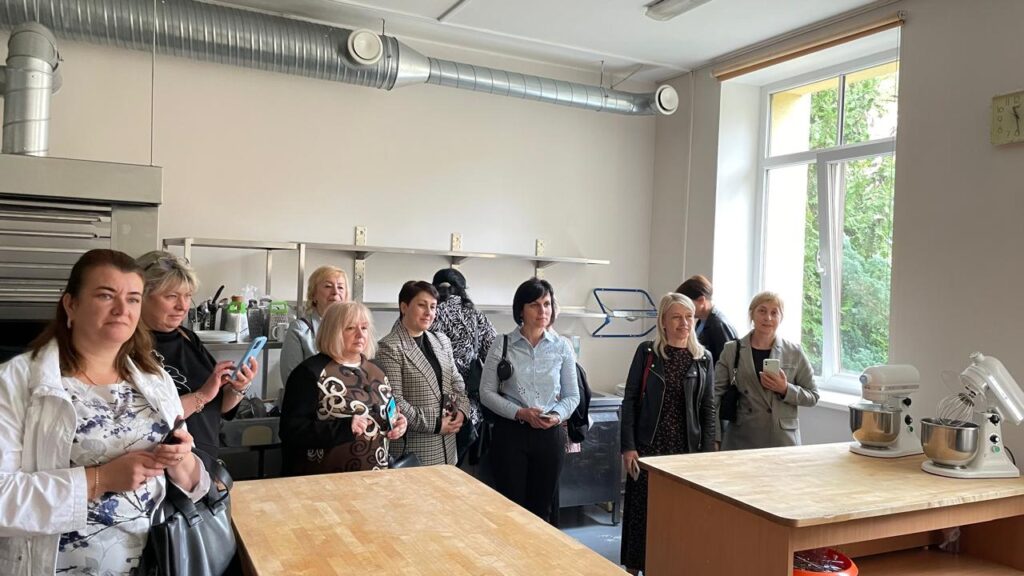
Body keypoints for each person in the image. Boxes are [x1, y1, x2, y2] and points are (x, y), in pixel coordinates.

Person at [0, 249, 209, 575]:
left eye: (133, 299)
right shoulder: (17, 381)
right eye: (106, 295)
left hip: (154, 563)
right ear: (71, 304)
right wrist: (100, 479)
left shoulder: (154, 380)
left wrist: (180, 459)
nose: (122, 310)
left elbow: (194, 483)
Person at [619, 293, 715, 575]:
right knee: (643, 514)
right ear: (663, 321)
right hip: (649, 448)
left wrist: (707, 456)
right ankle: (635, 568)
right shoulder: (648, 353)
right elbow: (630, 401)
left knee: (679, 516)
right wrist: (628, 447)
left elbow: (708, 409)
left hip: (685, 452)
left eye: (689, 317)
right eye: (676, 317)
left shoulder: (703, 358)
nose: (684, 323)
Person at [137, 250, 257, 466]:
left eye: (188, 296)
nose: (182, 306)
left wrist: (238, 388)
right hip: (161, 467)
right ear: (140, 296)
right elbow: (144, 419)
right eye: (171, 296)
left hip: (202, 465)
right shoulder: (129, 346)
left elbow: (218, 406)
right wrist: (202, 395)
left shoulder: (187, 337)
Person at [480, 278, 579, 522]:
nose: (543, 311)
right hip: (511, 433)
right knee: (510, 508)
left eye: (547, 304)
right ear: (521, 310)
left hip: (549, 435)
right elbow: (486, 392)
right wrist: (520, 413)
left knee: (542, 510)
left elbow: (572, 395)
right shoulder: (502, 344)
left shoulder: (562, 346)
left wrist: (556, 415)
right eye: (534, 305)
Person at [279, 302, 407, 475]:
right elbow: (291, 431)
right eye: (350, 328)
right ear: (333, 332)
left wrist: (399, 423)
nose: (360, 334)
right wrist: (344, 428)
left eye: (364, 328)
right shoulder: (309, 373)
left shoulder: (377, 369)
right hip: (325, 478)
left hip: (375, 475)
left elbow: (389, 411)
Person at [376, 281, 470, 466]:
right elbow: (395, 402)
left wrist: (462, 412)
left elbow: (457, 383)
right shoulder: (389, 347)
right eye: (422, 305)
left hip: (448, 445)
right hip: (415, 449)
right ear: (404, 307)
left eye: (433, 307)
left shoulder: (441, 340)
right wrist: (437, 424)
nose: (429, 312)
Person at [716, 291, 818, 450]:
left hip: (781, 440)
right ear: (752, 314)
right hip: (742, 436)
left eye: (774, 313)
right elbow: (715, 395)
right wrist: (715, 436)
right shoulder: (732, 350)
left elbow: (813, 396)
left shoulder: (794, 352)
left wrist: (785, 389)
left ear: (781, 318)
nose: (768, 318)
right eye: (762, 311)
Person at [429, 268, 496, 465]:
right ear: (463, 289)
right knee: (461, 467)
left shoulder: (429, 313)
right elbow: (494, 355)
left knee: (436, 464)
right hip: (468, 404)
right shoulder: (476, 316)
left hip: (433, 402)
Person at [280, 265, 349, 383]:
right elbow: (291, 381)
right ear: (313, 295)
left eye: (340, 287)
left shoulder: (354, 330)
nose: (335, 292)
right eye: (328, 286)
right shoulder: (299, 329)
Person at [676, 274, 738, 364]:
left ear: (701, 300)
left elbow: (728, 362)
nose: (683, 308)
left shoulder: (718, 325)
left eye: (686, 303)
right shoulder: (701, 321)